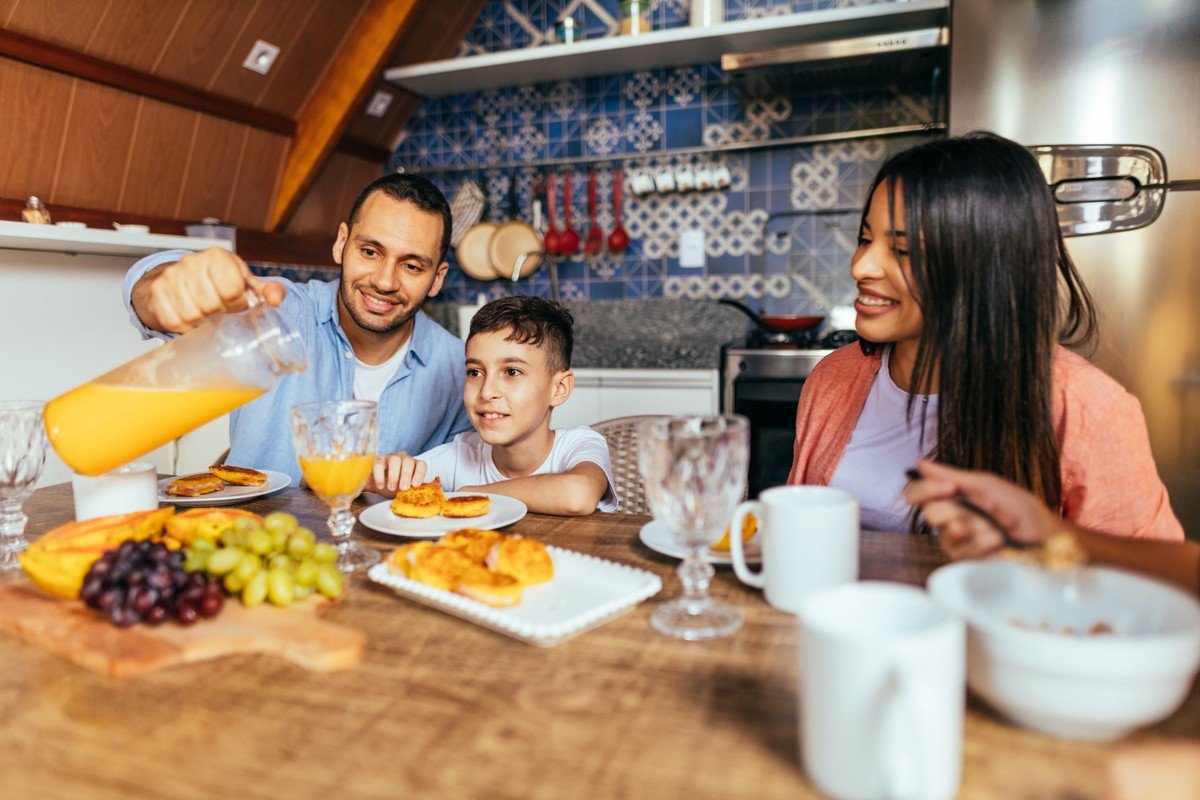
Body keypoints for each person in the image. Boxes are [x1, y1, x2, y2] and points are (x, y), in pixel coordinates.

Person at [788, 132, 1183, 539]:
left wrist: (1049, 538)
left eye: (903, 250)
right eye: (866, 239)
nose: (861, 267)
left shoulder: (1086, 408)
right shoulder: (833, 377)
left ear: (984, 266)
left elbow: (1163, 582)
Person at [123, 173, 472, 482]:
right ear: (341, 243)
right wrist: (164, 288)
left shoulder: (461, 369)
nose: (384, 281)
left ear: (437, 278)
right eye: (369, 252)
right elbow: (146, 294)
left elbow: (477, 473)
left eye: (411, 266)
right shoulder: (276, 312)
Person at [368, 296, 619, 516]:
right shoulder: (459, 456)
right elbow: (367, 482)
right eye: (475, 372)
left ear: (559, 389)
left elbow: (577, 495)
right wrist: (383, 471)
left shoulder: (579, 444)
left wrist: (468, 493)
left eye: (512, 371)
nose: (487, 392)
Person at [904, 460, 1199, 597]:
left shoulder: (1086, 399)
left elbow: (1163, 605)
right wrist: (1045, 531)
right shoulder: (859, 368)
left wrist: (1048, 537)